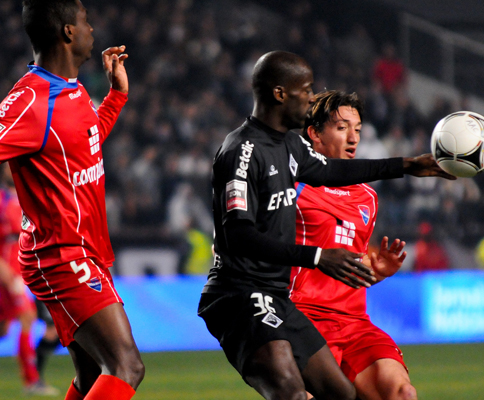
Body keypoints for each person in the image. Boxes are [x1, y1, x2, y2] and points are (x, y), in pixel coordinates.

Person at [198, 50, 453, 400]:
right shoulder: (240, 151)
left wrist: (407, 165)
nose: (309, 99)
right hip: (242, 294)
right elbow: (236, 235)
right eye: (305, 91)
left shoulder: (288, 146)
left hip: (288, 301)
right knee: (295, 394)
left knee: (347, 395)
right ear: (280, 94)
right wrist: (319, 257)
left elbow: (332, 172)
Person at [0, 1, 144, 399]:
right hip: (61, 255)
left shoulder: (73, 90)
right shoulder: (29, 99)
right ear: (67, 32)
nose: (92, 30)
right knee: (126, 365)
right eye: (85, 22)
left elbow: (85, 144)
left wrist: (116, 96)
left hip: (84, 251)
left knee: (91, 377)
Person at [289, 90, 417, 400]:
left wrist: (376, 272)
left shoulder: (368, 198)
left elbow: (351, 265)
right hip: (302, 319)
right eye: (342, 127)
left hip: (354, 322)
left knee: (402, 393)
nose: (353, 137)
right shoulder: (292, 188)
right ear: (315, 134)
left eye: (357, 129)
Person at [0, 164, 59, 395]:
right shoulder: (3, 201)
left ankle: (32, 380)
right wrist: (8, 276)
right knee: (28, 316)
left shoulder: (27, 198)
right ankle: (31, 381)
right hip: (6, 273)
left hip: (20, 273)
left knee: (4, 329)